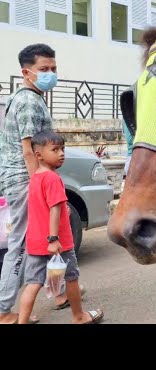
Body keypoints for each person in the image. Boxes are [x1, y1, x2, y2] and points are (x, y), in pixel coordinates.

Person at [0, 43, 69, 324]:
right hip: (24, 182)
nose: (50, 73)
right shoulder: (28, 100)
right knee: (20, 245)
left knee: (49, 238)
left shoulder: (30, 96)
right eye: (44, 69)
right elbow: (29, 150)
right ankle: (4, 310)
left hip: (27, 181)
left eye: (53, 68)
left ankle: (61, 292)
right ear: (26, 72)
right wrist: (39, 188)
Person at [16, 131, 103, 324]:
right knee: (71, 278)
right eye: (55, 150)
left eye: (62, 149)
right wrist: (53, 239)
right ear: (38, 155)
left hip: (35, 241)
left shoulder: (36, 178)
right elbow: (54, 209)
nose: (61, 153)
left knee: (32, 284)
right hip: (58, 241)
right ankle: (79, 317)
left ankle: (21, 321)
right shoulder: (53, 178)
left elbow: (45, 207)